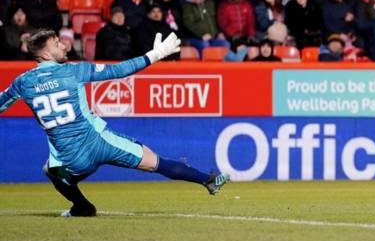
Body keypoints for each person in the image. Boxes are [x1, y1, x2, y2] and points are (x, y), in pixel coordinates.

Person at [0, 29, 229, 216]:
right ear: (46, 55)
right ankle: (208, 180)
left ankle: (82, 207)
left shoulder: (23, 82)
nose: (64, 45)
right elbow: (118, 70)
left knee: (50, 169)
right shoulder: (74, 70)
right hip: (100, 143)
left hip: (72, 159)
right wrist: (155, 55)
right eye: (57, 44)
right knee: (156, 162)